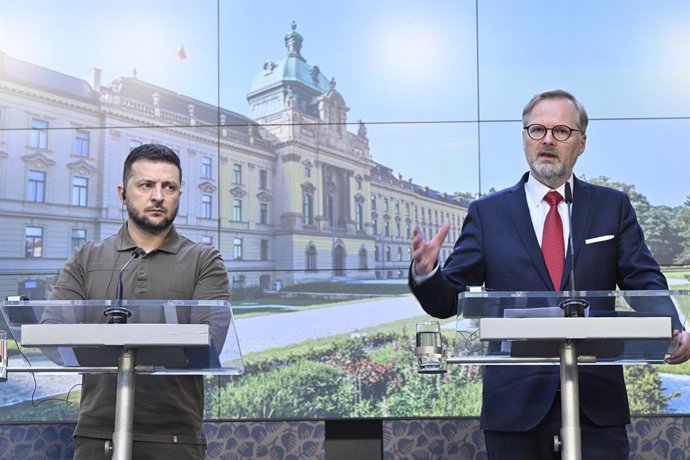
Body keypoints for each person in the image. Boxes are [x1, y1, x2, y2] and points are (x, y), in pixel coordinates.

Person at [409, 89, 690, 459]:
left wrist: (674, 326)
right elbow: (448, 301)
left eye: (561, 132)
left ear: (581, 143)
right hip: (515, 404)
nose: (547, 140)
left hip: (596, 402)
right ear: (524, 137)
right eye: (537, 130)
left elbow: (644, 279)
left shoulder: (612, 206)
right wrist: (427, 273)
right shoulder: (488, 213)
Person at [45, 144, 231, 459]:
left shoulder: (205, 260)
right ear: (123, 193)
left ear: (179, 195)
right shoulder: (87, 257)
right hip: (96, 433)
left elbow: (208, 342)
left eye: (168, 186)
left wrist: (110, 340)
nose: (157, 195)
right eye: (146, 185)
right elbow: (50, 332)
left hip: (175, 437)